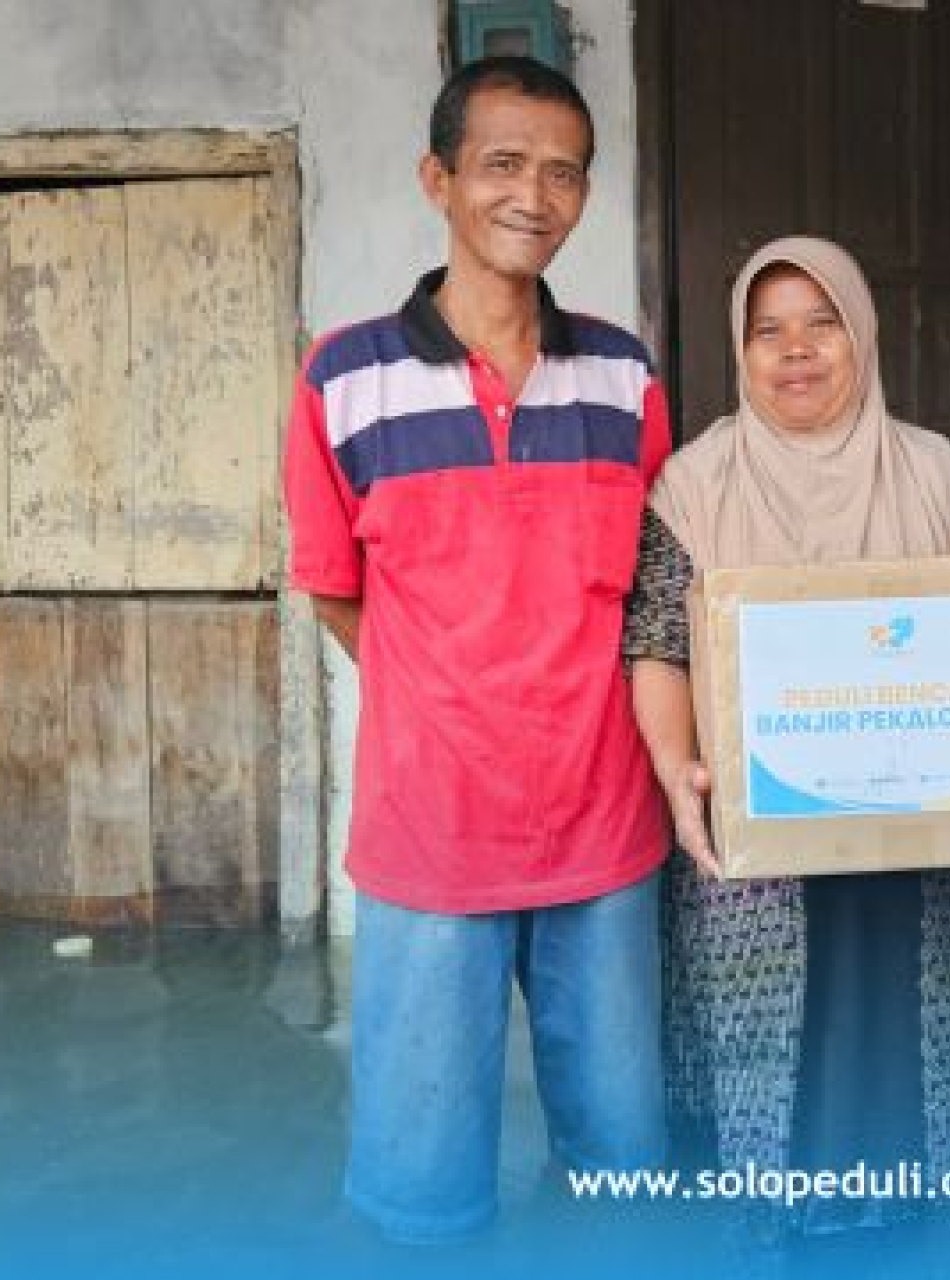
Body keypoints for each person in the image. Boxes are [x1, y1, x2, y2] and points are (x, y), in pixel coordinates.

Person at [281, 57, 671, 1241]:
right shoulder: (344, 379)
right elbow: (335, 590)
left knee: (620, 1170)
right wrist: (447, 695)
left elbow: (661, 590)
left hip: (605, 829)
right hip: (432, 836)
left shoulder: (625, 374)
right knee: (422, 1193)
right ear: (437, 178)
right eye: (503, 164)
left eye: (564, 172)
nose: (534, 196)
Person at [623, 236, 950, 1235]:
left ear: (863, 336)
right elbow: (657, 644)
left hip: (914, 831)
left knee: (902, 1018)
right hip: (756, 825)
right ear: (742, 349)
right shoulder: (695, 482)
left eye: (822, 324)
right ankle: (771, 1204)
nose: (795, 351)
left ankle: (921, 1202)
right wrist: (677, 772)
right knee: (772, 1037)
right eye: (769, 331)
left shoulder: (932, 470)